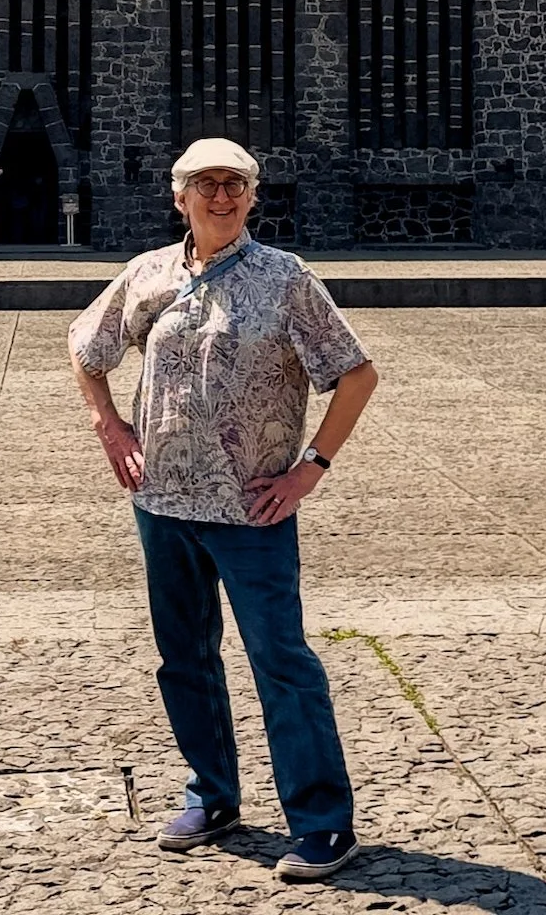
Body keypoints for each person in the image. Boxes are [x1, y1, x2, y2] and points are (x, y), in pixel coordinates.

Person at [68, 137, 379, 885]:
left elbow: (358, 375)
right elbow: (86, 346)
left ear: (252, 196)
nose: (221, 196)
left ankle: (323, 825)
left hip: (254, 509)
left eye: (235, 183)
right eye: (205, 184)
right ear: (179, 197)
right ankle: (212, 796)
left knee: (281, 662)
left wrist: (312, 469)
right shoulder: (147, 274)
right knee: (185, 657)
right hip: (164, 499)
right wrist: (109, 426)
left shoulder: (284, 279)